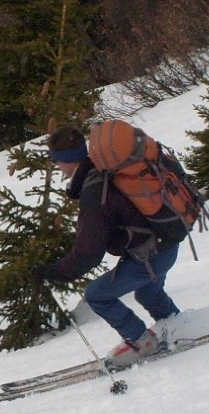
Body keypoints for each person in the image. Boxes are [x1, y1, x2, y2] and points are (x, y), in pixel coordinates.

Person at [30, 126, 181, 367]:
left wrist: (53, 272)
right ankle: (176, 325)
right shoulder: (104, 171)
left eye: (56, 161)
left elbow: (88, 254)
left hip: (150, 255)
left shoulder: (94, 192)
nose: (57, 167)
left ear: (67, 162)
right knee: (148, 292)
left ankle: (143, 342)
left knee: (97, 295)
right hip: (166, 243)